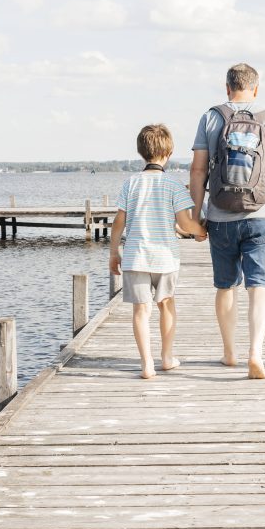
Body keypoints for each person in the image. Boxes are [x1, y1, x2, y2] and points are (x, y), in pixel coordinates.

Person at [190, 63, 265, 380]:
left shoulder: (211, 117)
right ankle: (256, 353)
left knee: (226, 286)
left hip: (221, 215)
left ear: (227, 88)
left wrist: (197, 217)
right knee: (259, 286)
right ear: (256, 88)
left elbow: (198, 171)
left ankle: (229, 353)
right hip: (262, 214)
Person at [109, 124, 207, 379]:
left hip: (135, 257)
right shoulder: (173, 185)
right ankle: (166, 357)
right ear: (169, 152)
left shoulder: (130, 184)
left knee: (141, 310)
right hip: (165, 258)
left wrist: (113, 252)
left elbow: (119, 222)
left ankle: (146, 364)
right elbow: (185, 224)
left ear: (141, 151)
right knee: (166, 305)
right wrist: (201, 231)